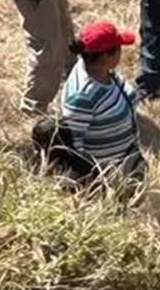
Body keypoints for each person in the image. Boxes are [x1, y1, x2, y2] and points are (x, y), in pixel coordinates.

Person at [59, 20, 145, 184]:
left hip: (125, 160)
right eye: (119, 48)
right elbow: (73, 147)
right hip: (105, 176)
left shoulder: (103, 70)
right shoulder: (82, 97)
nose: (122, 52)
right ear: (105, 55)